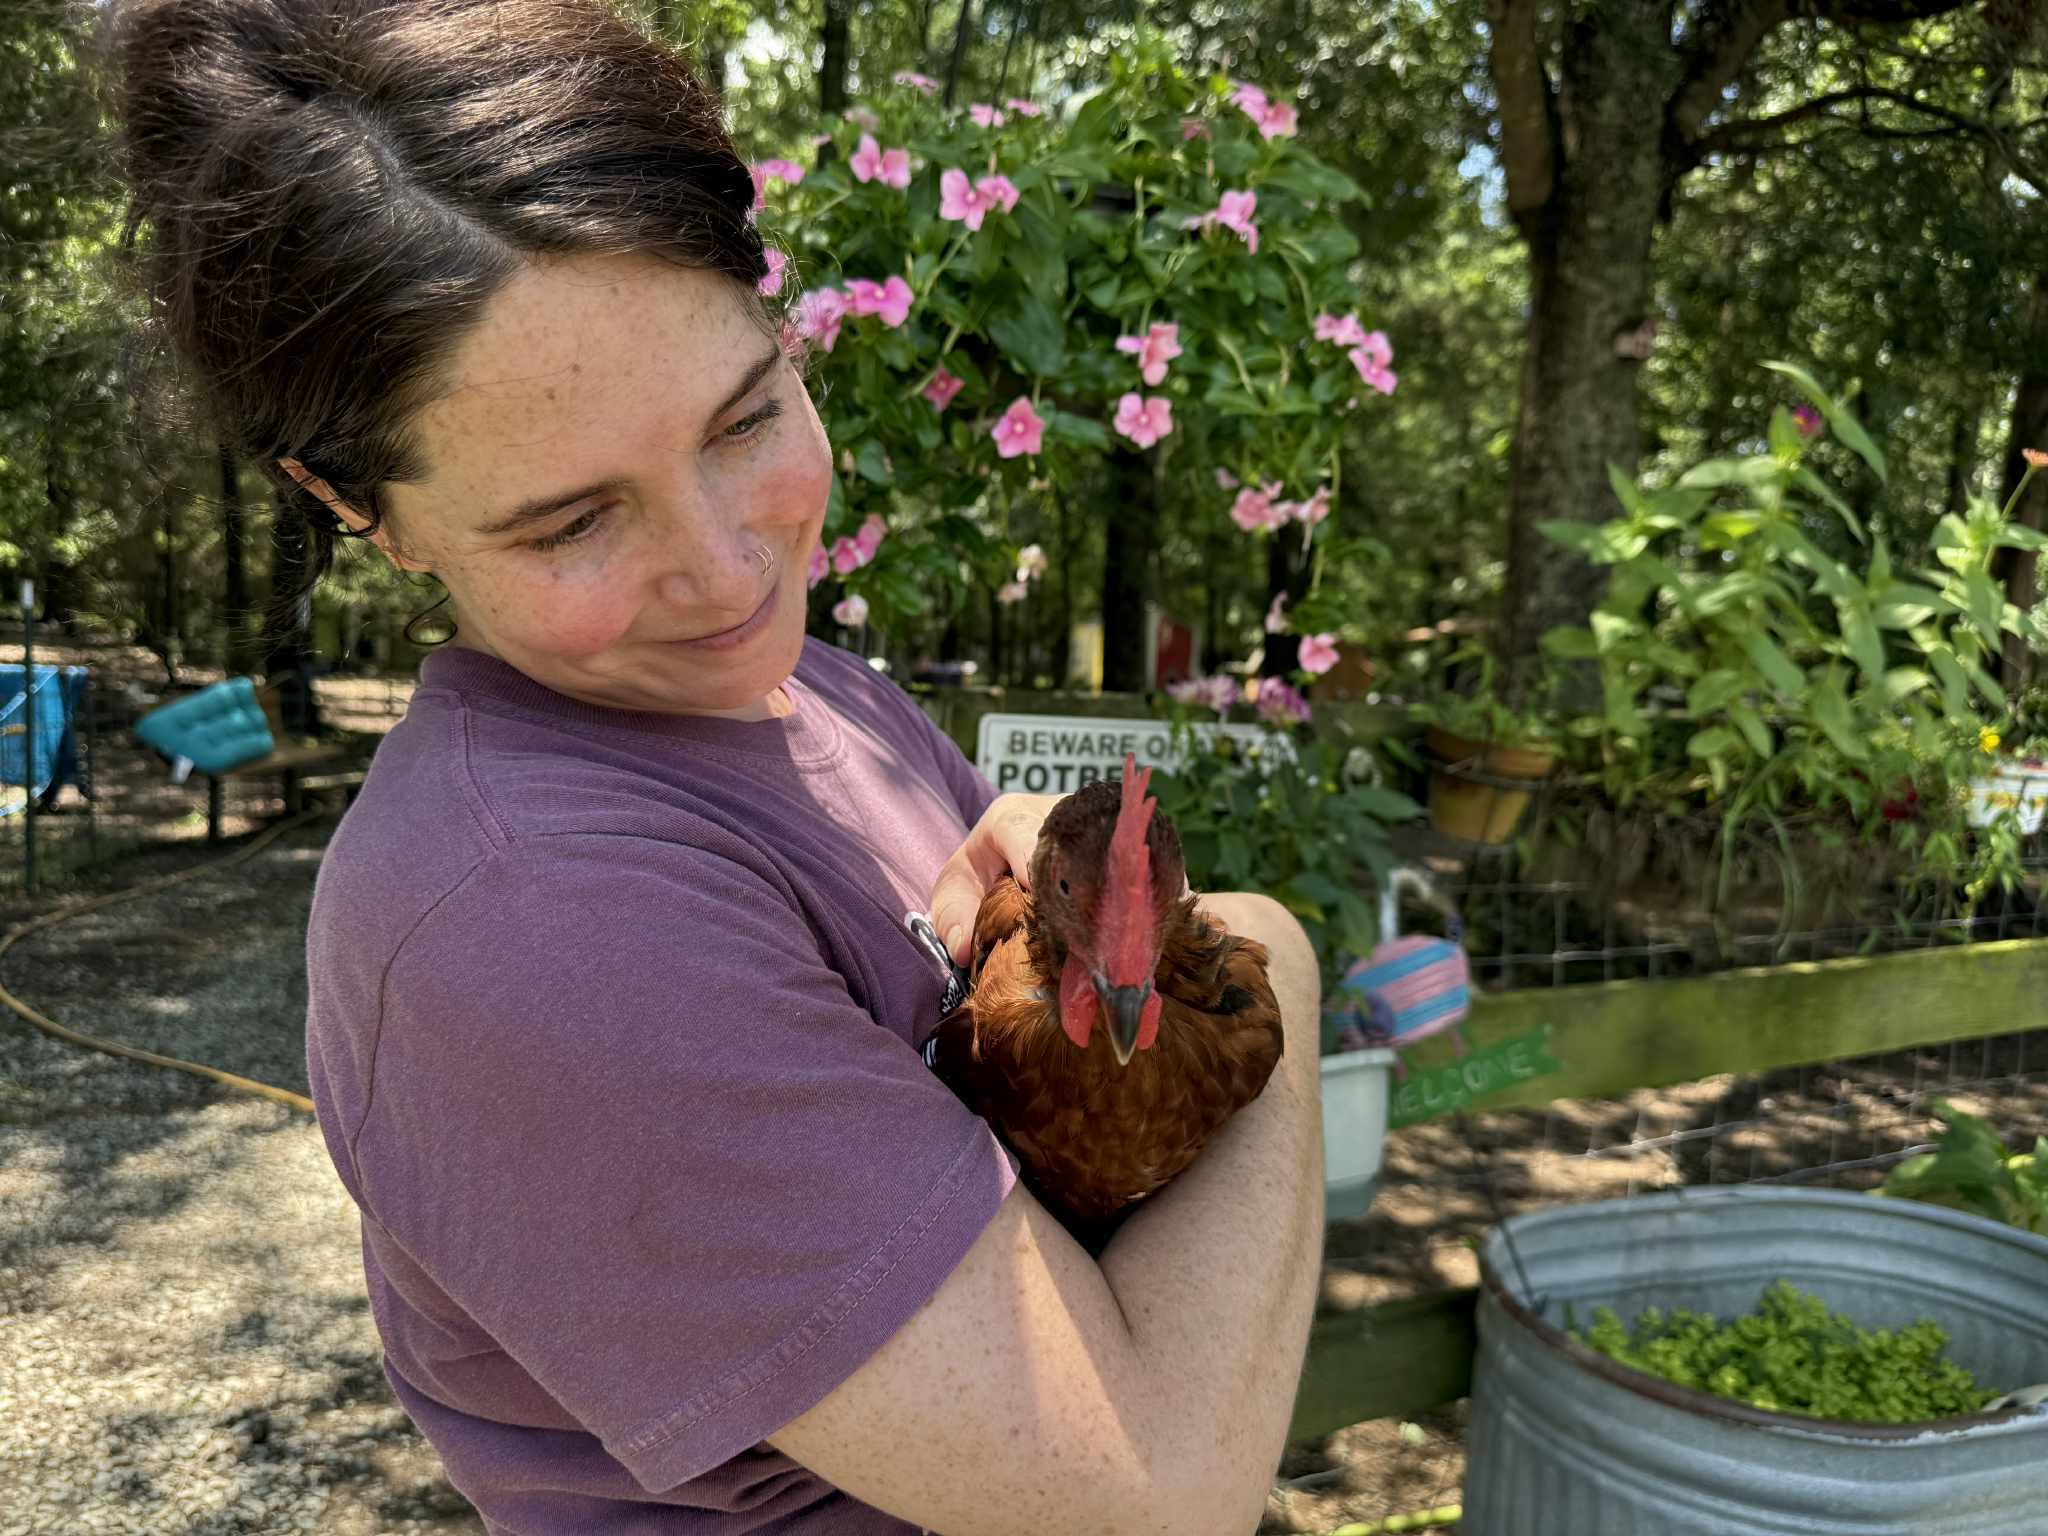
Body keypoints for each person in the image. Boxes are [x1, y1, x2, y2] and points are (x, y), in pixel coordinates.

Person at [102, 2, 1326, 1531]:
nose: (727, 566)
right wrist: (1275, 949)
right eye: (569, 522)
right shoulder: (539, 919)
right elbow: (1157, 1493)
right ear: (362, 507)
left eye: (749, 414)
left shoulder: (816, 695)